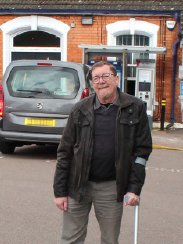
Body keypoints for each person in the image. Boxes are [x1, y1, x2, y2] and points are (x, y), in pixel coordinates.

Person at [53, 61, 152, 244]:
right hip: (77, 186)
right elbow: (65, 152)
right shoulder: (80, 109)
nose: (101, 81)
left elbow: (142, 153)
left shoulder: (135, 108)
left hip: (111, 187)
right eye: (96, 78)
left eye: (106, 76)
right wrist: (59, 191)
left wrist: (134, 188)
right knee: (70, 239)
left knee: (110, 240)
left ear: (116, 79)